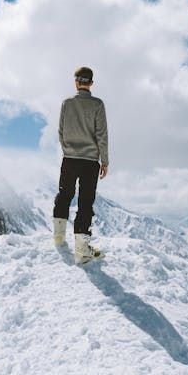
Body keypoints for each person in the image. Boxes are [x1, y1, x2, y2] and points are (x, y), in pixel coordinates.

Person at [53, 66, 109, 264]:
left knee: (64, 194)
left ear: (76, 82)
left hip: (69, 158)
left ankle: (59, 238)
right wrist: (105, 161)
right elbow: (101, 135)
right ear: (91, 83)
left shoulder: (66, 103)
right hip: (90, 161)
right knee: (85, 203)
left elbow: (61, 131)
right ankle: (82, 250)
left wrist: (68, 150)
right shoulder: (98, 105)